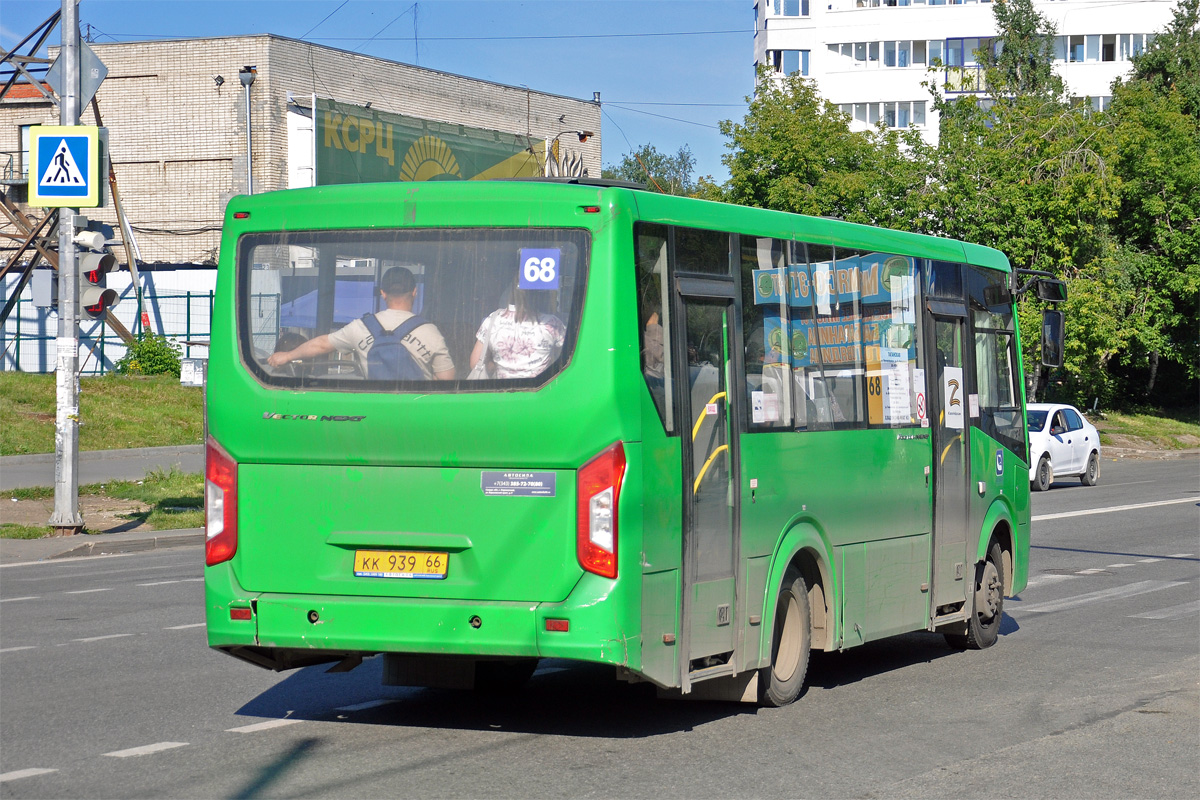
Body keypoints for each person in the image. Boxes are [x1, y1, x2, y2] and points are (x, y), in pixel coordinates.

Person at [266, 266, 455, 380]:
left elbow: (321, 344)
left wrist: (287, 356)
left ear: (383, 293)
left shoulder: (361, 327)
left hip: (374, 409)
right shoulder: (431, 332)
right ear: (414, 292)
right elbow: (446, 380)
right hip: (415, 414)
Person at [468, 281, 566, 379]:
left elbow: (475, 363)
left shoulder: (493, 320)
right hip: (543, 390)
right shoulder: (552, 323)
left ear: (512, 292)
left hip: (501, 390)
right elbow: (567, 359)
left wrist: (497, 367)